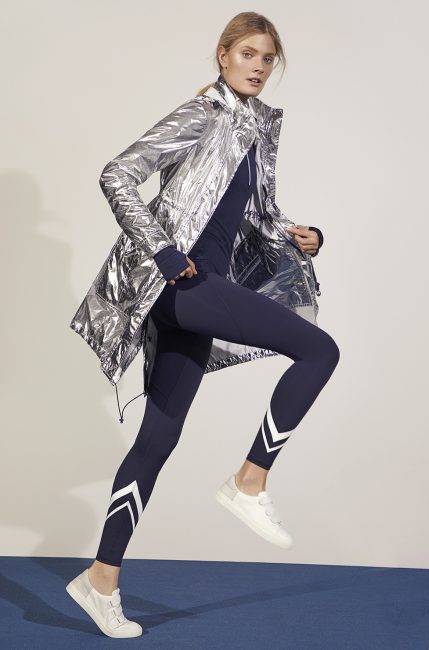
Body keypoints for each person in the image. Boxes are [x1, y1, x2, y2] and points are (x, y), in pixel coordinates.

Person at [66, 12, 339, 639]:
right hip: (177, 285)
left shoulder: (259, 125)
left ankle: (100, 580)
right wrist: (162, 251)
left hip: (202, 287)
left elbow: (256, 215)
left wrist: (302, 235)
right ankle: (250, 480)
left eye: (267, 58)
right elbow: (116, 173)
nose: (258, 67)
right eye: (248, 54)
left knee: (157, 439)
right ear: (223, 56)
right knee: (319, 351)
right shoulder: (202, 113)